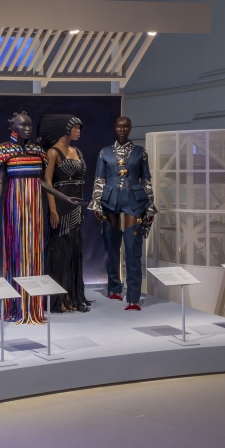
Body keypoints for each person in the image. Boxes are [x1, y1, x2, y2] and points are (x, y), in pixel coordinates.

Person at [0, 112, 81, 324]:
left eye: (30, 126)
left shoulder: (38, 152)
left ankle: (33, 303)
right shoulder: (3, 151)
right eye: (24, 125)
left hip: (34, 209)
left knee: (33, 252)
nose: (28, 129)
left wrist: (66, 198)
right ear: (13, 126)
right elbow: (1, 180)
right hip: (14, 206)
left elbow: (44, 183)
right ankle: (14, 304)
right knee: (15, 252)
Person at [89, 116, 156, 311]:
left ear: (131, 128)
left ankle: (133, 297)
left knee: (132, 247)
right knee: (112, 245)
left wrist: (150, 207)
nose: (123, 129)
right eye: (119, 126)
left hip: (134, 200)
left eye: (126, 126)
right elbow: (99, 178)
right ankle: (115, 288)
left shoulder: (140, 153)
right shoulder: (104, 152)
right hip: (110, 199)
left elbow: (146, 181)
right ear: (114, 128)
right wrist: (95, 203)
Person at [38, 114, 90, 313]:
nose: (79, 131)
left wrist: (81, 208)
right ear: (66, 129)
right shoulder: (53, 152)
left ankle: (72, 295)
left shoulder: (76, 151)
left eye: (80, 128)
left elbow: (80, 181)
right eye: (76, 127)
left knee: (74, 251)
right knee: (60, 251)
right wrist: (52, 209)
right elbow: (47, 182)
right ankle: (58, 298)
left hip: (76, 205)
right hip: (60, 206)